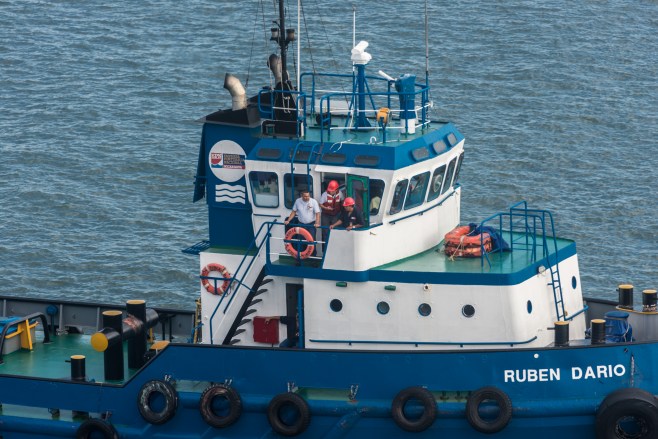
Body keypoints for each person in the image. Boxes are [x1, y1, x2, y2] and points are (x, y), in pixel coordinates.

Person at [319, 180, 343, 245]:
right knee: (325, 231)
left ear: (336, 189)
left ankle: (335, 244)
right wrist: (326, 208)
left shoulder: (340, 193)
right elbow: (320, 204)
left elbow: (342, 202)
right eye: (330, 190)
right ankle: (326, 245)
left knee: (335, 230)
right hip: (325, 215)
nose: (330, 191)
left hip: (336, 214)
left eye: (332, 190)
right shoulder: (324, 194)